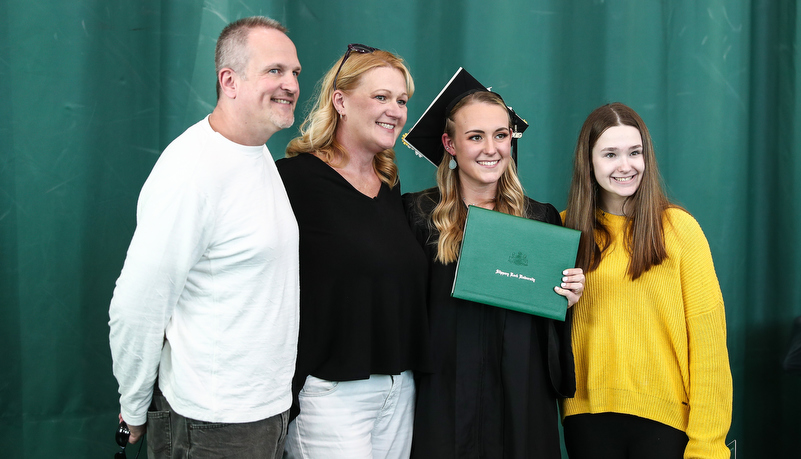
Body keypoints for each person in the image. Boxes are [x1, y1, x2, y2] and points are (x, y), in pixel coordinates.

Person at [108, 16, 302, 458]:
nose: (290, 83)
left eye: (295, 72)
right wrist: (134, 407)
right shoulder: (191, 172)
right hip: (211, 426)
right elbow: (137, 306)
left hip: (266, 413)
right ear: (229, 81)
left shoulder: (256, 154)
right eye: (275, 70)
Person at [402, 68, 584, 458]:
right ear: (450, 144)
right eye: (475, 137)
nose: (491, 148)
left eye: (501, 135)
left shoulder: (541, 220)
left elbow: (548, 326)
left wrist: (565, 298)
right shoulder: (420, 216)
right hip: (444, 398)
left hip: (522, 395)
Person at [276, 44, 431, 458]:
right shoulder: (291, 181)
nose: (395, 111)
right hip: (330, 395)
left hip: (400, 391)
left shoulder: (392, 191)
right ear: (340, 101)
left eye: (401, 100)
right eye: (381, 97)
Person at [560, 102, 733, 458]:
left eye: (635, 152)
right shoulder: (562, 231)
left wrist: (708, 445)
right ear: (588, 163)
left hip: (666, 426)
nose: (626, 165)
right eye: (610, 154)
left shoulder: (680, 230)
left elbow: (709, 350)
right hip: (584, 422)